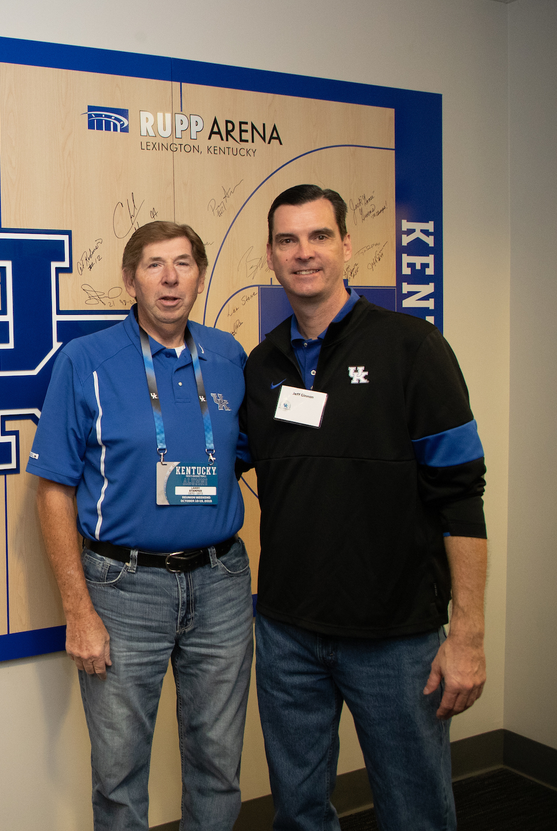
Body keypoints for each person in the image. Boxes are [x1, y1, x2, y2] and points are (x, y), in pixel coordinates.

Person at [240, 184, 487, 831]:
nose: (304, 253)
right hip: (289, 632)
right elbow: (217, 461)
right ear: (270, 255)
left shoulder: (412, 348)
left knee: (415, 812)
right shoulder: (262, 365)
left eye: (319, 236)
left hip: (396, 638)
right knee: (299, 812)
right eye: (288, 240)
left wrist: (467, 635)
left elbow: (462, 498)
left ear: (347, 245)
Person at [28, 221, 252, 830]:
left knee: (219, 762)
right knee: (120, 776)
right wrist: (78, 610)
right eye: (154, 265)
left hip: (222, 583)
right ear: (130, 280)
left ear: (200, 276)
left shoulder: (229, 355)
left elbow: (243, 455)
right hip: (123, 590)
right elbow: (52, 491)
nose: (171, 278)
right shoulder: (87, 361)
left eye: (183, 263)